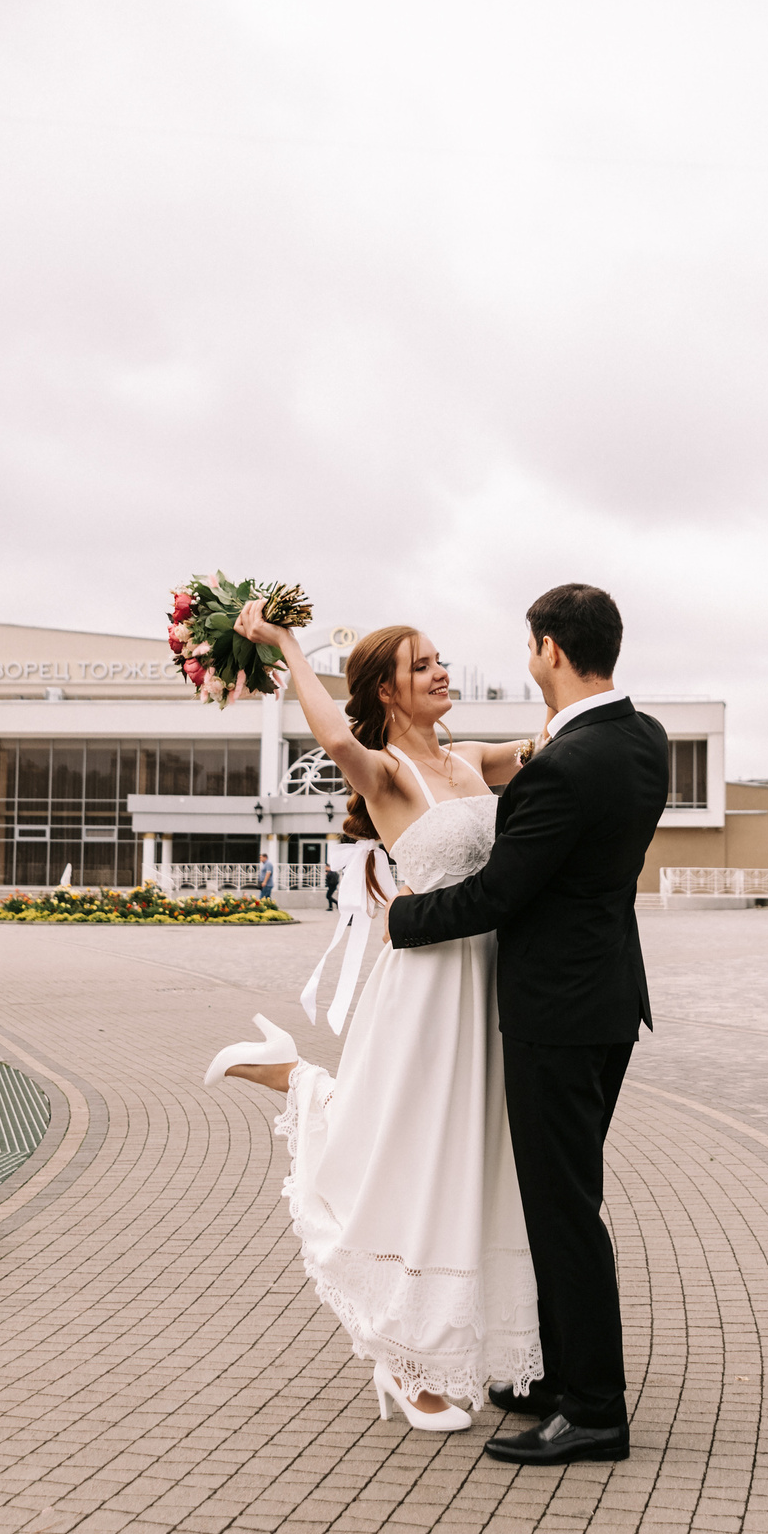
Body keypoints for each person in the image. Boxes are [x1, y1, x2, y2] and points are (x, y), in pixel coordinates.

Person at [209, 607, 549, 1432]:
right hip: (427, 986)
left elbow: (552, 743)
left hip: (487, 982)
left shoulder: (472, 759)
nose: (441, 671)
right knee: (411, 1155)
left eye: (439, 659)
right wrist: (284, 644)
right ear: (388, 692)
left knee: (469, 1153)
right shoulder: (390, 772)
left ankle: (455, 1343)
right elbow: (333, 738)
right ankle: (402, 1360)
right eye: (421, 665)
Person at [380, 584, 668, 1467]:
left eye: (527, 647)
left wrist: (403, 920)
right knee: (559, 1198)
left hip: (555, 1014)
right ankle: (551, 1379)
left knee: (563, 1209)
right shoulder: (644, 739)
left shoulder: (565, 765)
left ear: (548, 648)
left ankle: (593, 1407)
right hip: (609, 1002)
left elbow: (501, 893)